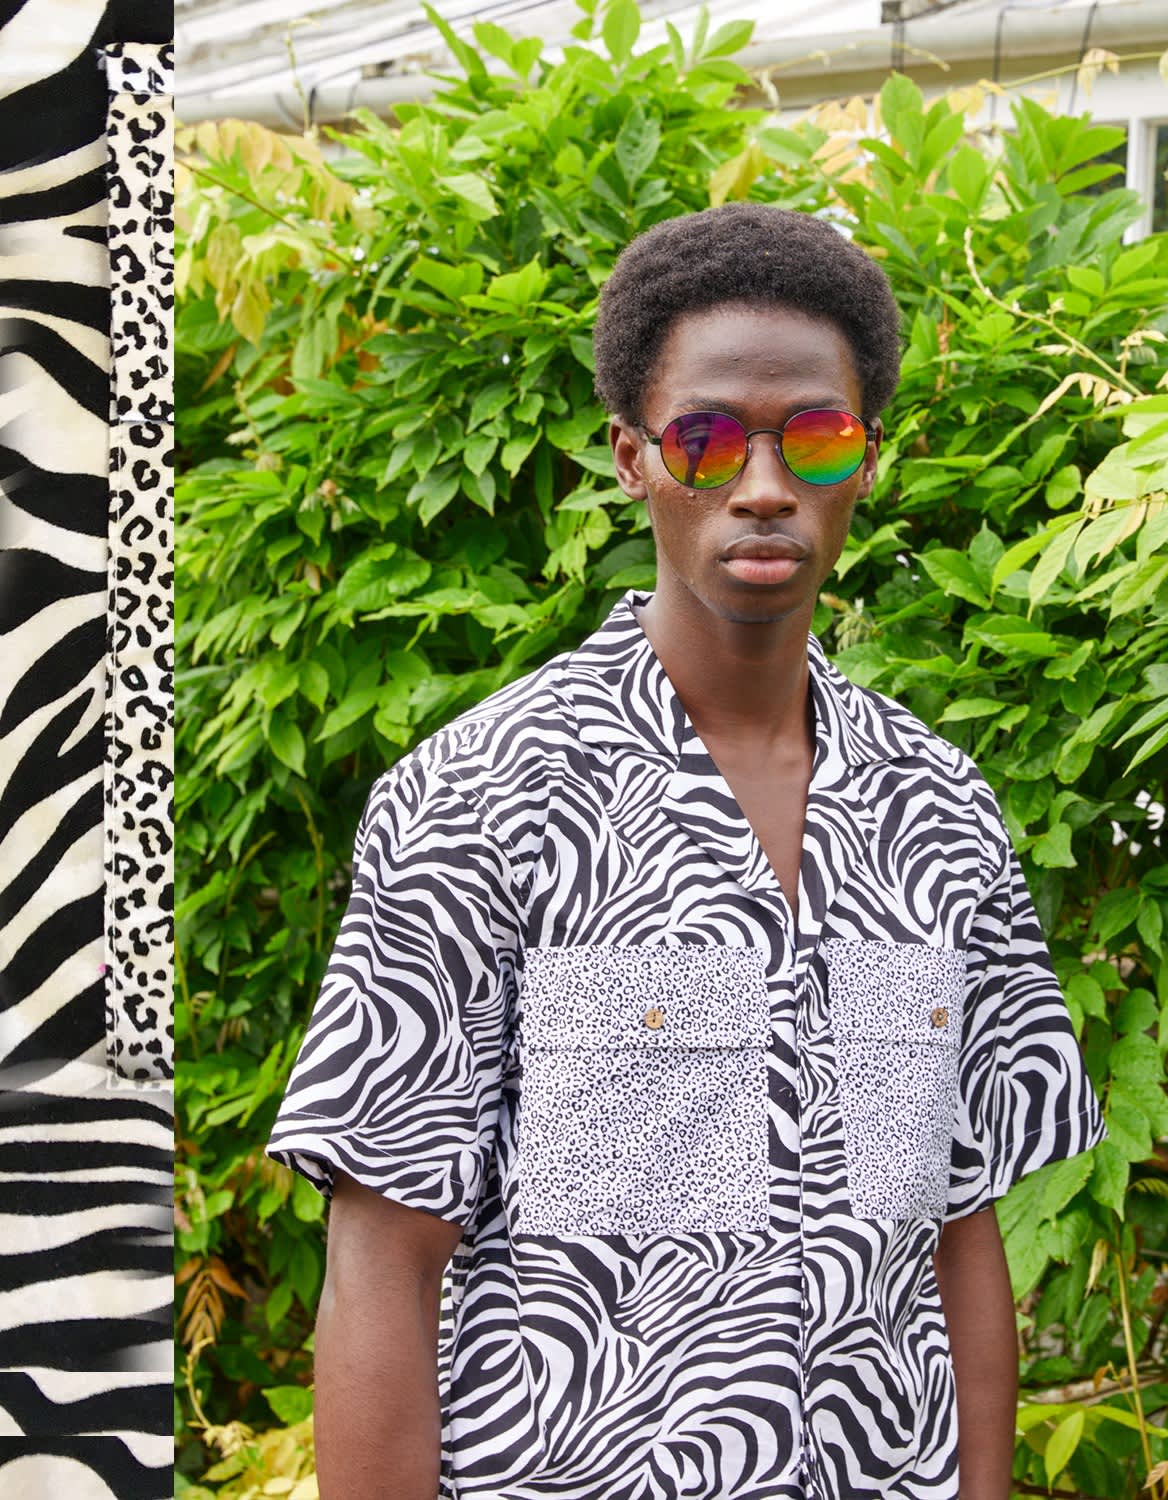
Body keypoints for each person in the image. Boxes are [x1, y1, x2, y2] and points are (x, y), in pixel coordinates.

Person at [264, 201, 1105, 1500]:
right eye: (708, 440)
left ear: (865, 461)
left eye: (814, 438)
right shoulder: (478, 807)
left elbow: (957, 1233)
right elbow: (383, 1264)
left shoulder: (942, 816)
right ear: (633, 458)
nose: (764, 487)